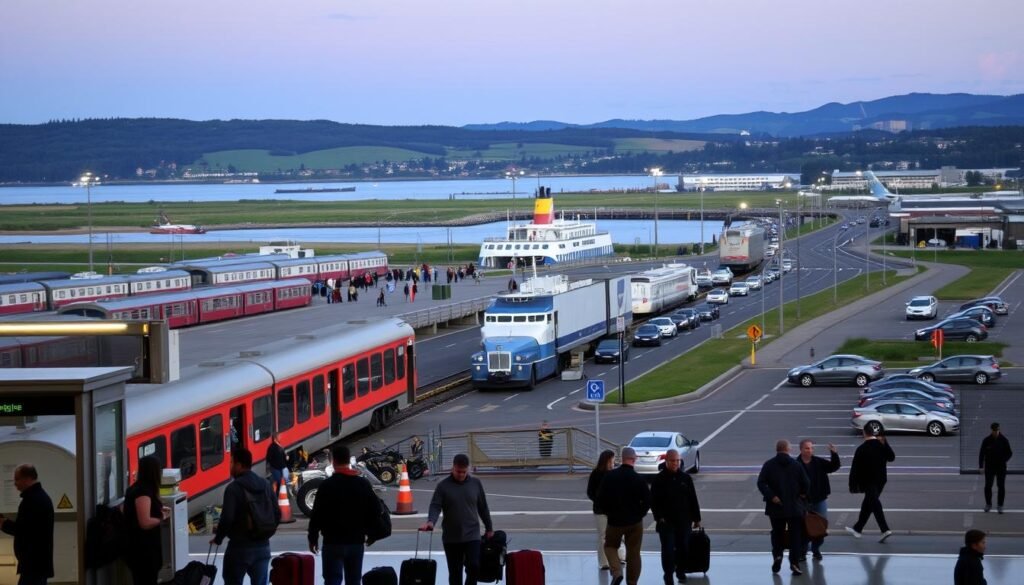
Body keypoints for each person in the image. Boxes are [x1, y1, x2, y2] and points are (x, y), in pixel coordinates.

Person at [308, 445, 379, 585]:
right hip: (356, 541)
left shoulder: (326, 485)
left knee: (332, 580)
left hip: (332, 542)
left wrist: (313, 538)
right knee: (353, 580)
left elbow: (316, 515)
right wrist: (372, 534)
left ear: (333, 462)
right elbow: (375, 510)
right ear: (349, 460)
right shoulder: (362, 484)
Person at [421, 454, 494, 585]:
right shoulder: (443, 486)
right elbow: (435, 505)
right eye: (458, 471)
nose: (461, 474)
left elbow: (483, 507)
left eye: (464, 472)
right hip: (452, 537)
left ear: (469, 469)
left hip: (472, 534)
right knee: (455, 573)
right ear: (452, 468)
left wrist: (489, 528)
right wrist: (431, 521)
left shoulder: (475, 483)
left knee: (474, 566)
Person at [211, 448, 280, 585]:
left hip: (239, 548)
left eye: (231, 463)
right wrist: (265, 530)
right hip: (263, 546)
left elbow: (227, 518)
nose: (230, 466)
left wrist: (218, 538)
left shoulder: (233, 488)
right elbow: (277, 513)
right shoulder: (265, 485)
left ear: (239, 465)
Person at [597, 447, 651, 585]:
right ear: (634, 459)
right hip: (635, 522)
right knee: (634, 553)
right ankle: (632, 581)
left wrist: (609, 512)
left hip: (615, 521)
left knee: (610, 546)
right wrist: (639, 514)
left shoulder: (610, 477)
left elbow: (600, 499)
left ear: (621, 458)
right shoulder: (639, 479)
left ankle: (616, 572)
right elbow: (647, 501)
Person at [756, 440, 809, 576]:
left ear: (777, 449)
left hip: (776, 507)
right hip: (794, 507)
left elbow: (761, 483)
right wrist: (801, 494)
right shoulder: (796, 465)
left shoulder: (769, 465)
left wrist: (771, 496)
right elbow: (806, 483)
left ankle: (778, 555)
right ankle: (794, 563)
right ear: (788, 449)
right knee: (795, 535)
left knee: (777, 533)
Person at [651, 449, 702, 585]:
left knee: (683, 547)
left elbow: (693, 499)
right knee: (667, 550)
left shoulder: (685, 478)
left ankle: (680, 570)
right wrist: (659, 518)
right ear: (666, 461)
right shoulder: (659, 479)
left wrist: (696, 518)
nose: (675, 463)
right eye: (673, 461)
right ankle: (668, 574)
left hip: (684, 521)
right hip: (666, 522)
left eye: (677, 461)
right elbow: (653, 501)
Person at [0, 464, 54, 585]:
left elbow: (23, 531)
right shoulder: (38, 497)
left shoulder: (33, 500)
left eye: (17, 479)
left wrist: (4, 524)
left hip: (33, 564)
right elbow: (28, 527)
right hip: (35, 564)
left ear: (28, 478)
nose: (15, 483)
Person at [123, 455, 170, 585]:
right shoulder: (144, 491)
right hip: (144, 552)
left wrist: (159, 509)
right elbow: (144, 522)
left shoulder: (135, 488)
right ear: (154, 471)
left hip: (136, 549)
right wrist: (162, 518)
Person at [845, 426, 896, 543]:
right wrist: (885, 443)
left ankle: (885, 529)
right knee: (868, 503)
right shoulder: (881, 445)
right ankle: (857, 529)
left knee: (873, 503)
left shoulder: (861, 449)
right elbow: (891, 457)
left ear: (864, 433)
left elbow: (855, 469)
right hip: (881, 480)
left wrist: (852, 485)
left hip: (868, 481)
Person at [796, 439, 840, 561]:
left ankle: (816, 549)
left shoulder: (818, 462)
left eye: (811, 448)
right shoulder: (795, 464)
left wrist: (834, 454)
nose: (810, 450)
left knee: (820, 528)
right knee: (803, 528)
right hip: (803, 502)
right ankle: (803, 552)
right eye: (807, 448)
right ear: (801, 450)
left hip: (819, 500)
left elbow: (833, 467)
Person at [586, 450, 624, 571]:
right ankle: (606, 561)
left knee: (610, 535)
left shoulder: (599, 473)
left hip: (605, 509)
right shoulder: (599, 474)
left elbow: (590, 492)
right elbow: (590, 492)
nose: (614, 462)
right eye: (612, 460)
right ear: (607, 460)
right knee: (607, 535)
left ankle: (615, 558)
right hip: (604, 510)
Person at [979, 422, 1012, 514]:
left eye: (997, 430)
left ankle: (1000, 505)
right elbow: (982, 454)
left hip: (1001, 467)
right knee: (988, 486)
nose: (996, 432)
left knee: (1001, 486)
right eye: (994, 431)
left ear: (999, 430)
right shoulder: (986, 440)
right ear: (991, 430)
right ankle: (988, 504)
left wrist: (1004, 460)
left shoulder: (1004, 440)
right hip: (989, 467)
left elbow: (1009, 452)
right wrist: (981, 466)